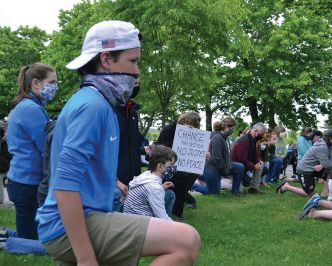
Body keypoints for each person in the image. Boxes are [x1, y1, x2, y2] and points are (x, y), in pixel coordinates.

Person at [36, 21, 200, 265]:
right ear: (106, 59)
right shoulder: (91, 106)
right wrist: (85, 258)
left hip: (87, 216)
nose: (137, 72)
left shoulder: (99, 103)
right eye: (133, 61)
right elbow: (64, 186)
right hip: (71, 222)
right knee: (186, 240)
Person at [6, 63, 57, 240]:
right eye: (52, 82)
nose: (55, 87)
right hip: (27, 184)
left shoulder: (25, 106)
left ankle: (7, 237)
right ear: (36, 83)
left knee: (29, 233)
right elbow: (48, 149)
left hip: (21, 180)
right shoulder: (32, 110)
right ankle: (7, 242)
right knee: (33, 241)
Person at [155, 111, 201, 220]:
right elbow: (162, 150)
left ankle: (179, 205)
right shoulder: (169, 130)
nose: (193, 128)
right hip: (164, 165)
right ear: (184, 121)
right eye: (192, 124)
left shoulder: (192, 134)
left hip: (179, 166)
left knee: (192, 173)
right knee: (182, 175)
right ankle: (177, 209)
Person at [192, 117, 245, 196]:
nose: (233, 131)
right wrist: (226, 171)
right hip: (212, 169)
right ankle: (191, 185)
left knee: (239, 167)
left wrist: (228, 166)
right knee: (213, 193)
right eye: (232, 129)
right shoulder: (217, 138)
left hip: (221, 166)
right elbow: (217, 159)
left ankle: (235, 192)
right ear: (226, 127)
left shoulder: (225, 137)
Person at [124, 145, 176, 220]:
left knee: (169, 193)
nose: (173, 168)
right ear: (160, 167)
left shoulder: (147, 174)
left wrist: (161, 187)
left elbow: (150, 190)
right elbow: (163, 218)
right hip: (139, 225)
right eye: (171, 165)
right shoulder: (154, 188)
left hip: (131, 218)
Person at [231, 122, 267, 194]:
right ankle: (231, 184)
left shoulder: (253, 140)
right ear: (256, 131)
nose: (262, 136)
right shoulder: (244, 141)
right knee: (238, 192)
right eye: (262, 134)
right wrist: (253, 166)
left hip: (245, 164)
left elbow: (255, 155)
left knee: (260, 164)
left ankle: (254, 188)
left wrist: (257, 163)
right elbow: (241, 160)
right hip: (237, 166)